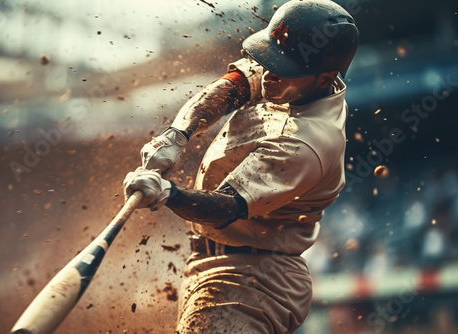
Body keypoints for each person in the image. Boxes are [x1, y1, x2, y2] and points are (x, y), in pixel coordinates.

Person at [123, 0, 359, 332]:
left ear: (325, 79)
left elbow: (228, 207)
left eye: (282, 69)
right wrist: (177, 135)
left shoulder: (308, 142)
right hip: (216, 261)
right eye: (268, 61)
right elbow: (233, 84)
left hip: (256, 277)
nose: (269, 74)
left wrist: (168, 194)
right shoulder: (294, 74)